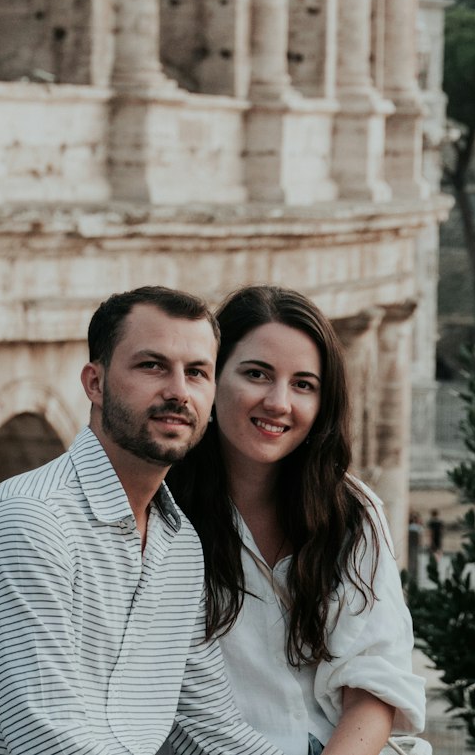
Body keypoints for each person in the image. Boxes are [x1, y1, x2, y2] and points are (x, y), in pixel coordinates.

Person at [0, 284, 287, 755]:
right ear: (95, 383)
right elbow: (47, 741)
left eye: (197, 372)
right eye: (152, 365)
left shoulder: (178, 544)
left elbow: (208, 730)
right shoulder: (30, 522)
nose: (178, 391)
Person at [168, 285, 425, 755]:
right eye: (256, 374)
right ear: (212, 376)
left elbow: (373, 684)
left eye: (303, 384)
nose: (278, 402)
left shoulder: (350, 511)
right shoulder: (162, 509)